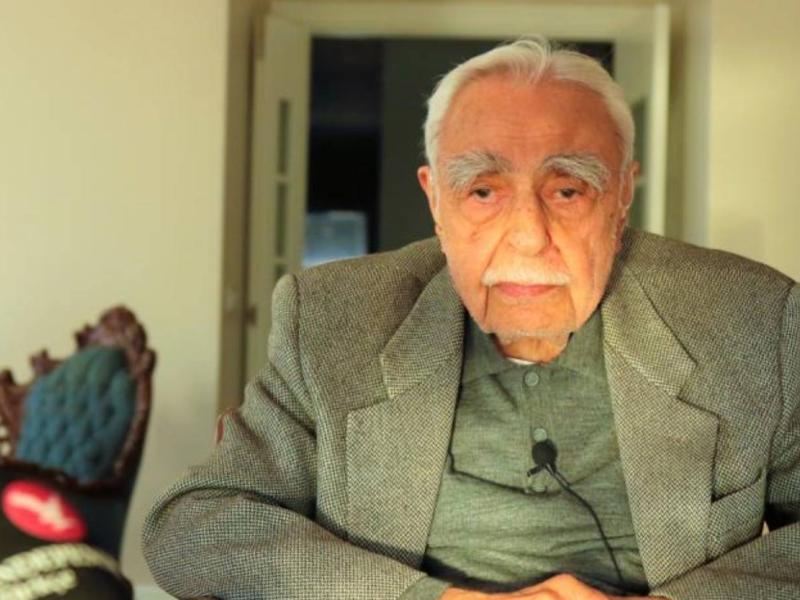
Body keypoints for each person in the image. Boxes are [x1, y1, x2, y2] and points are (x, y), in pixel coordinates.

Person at [142, 38, 800, 599]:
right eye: (483, 191)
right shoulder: (335, 317)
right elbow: (193, 525)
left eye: (567, 190)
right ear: (436, 200)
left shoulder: (750, 320)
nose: (528, 237)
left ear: (622, 194)